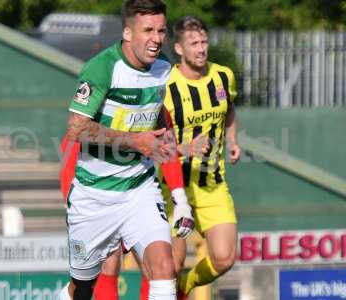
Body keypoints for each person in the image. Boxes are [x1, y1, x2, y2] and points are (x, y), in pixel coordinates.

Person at [58, 1, 195, 299]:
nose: (157, 39)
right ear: (128, 33)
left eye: (161, 30)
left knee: (164, 267)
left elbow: (161, 123)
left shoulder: (163, 67)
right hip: (94, 194)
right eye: (148, 30)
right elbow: (76, 129)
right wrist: (135, 141)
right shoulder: (103, 68)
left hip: (139, 189)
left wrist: (179, 198)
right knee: (82, 288)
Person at [161, 15, 241, 299]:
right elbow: (153, 138)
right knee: (172, 264)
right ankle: (174, 288)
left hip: (212, 184)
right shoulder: (165, 84)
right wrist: (184, 149)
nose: (201, 48)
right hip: (173, 187)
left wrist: (232, 140)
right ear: (179, 48)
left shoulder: (222, 76)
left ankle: (186, 287)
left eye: (204, 41)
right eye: (193, 43)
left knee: (224, 258)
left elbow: (229, 111)